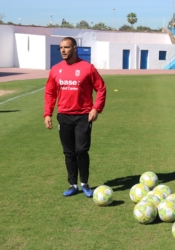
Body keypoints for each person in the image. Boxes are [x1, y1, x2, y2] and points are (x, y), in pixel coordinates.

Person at [44, 37, 106, 197]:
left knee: (81, 150)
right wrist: (48, 113)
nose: (63, 50)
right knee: (69, 152)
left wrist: (96, 109)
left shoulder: (87, 68)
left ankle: (84, 183)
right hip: (64, 116)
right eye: (61, 48)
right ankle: (73, 184)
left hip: (83, 116)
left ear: (75, 48)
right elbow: (50, 92)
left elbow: (101, 88)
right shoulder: (55, 69)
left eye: (66, 47)